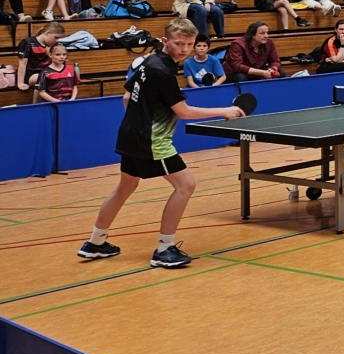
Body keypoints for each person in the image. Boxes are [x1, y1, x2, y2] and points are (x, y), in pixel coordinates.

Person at [77, 18, 245, 267]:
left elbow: (126, 98)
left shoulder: (149, 62)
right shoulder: (163, 71)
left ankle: (95, 242)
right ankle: (165, 250)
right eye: (179, 43)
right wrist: (224, 111)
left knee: (125, 187)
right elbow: (183, 111)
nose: (184, 49)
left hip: (131, 134)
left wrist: (139, 121)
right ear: (165, 41)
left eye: (189, 44)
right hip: (151, 140)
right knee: (186, 185)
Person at [17, 22, 66, 91]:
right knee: (44, 78)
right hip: (31, 75)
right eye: (56, 37)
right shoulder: (28, 43)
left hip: (48, 72)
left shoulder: (54, 45)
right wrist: (20, 83)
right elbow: (22, 64)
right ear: (47, 33)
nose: (57, 40)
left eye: (59, 38)